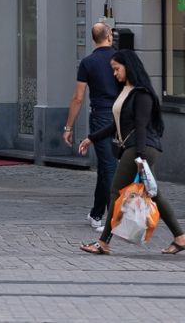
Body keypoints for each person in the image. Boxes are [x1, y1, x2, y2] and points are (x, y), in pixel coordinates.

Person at [77, 49, 185, 256]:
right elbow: (117, 124)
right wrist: (91, 138)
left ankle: (103, 242)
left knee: (116, 191)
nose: (115, 74)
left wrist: (140, 157)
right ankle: (180, 237)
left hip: (141, 147)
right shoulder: (127, 91)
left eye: (117, 69)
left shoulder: (142, 94)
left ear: (128, 67)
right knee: (153, 192)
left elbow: (141, 126)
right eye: (113, 70)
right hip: (137, 147)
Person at [63, 21, 118, 230]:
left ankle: (99, 214)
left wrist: (68, 127)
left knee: (108, 167)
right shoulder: (119, 58)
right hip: (120, 115)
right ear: (110, 36)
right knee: (108, 166)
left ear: (93, 39)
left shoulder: (88, 62)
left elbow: (78, 97)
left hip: (101, 116)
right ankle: (100, 215)